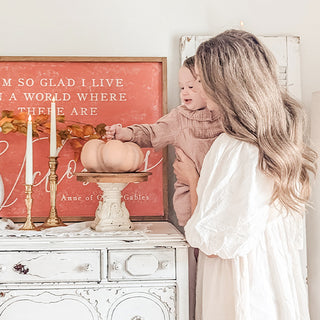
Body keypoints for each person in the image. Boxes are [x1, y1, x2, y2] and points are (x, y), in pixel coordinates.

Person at [173, 29, 317, 320]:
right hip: (273, 280)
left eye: (203, 80)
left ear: (225, 84)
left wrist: (192, 180)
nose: (198, 88)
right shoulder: (278, 139)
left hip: (242, 286)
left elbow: (216, 243)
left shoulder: (236, 148)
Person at [105, 56, 222, 227]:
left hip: (221, 194)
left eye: (191, 87)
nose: (184, 92)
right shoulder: (179, 118)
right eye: (182, 87)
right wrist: (126, 133)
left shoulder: (226, 118)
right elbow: (153, 132)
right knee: (198, 241)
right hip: (191, 198)